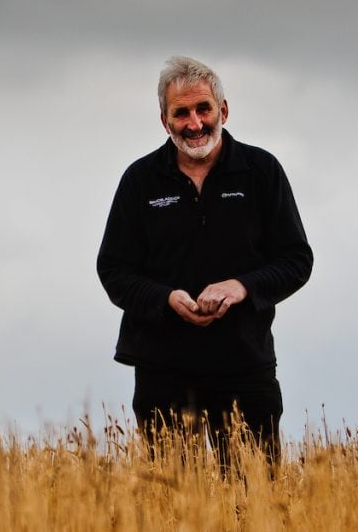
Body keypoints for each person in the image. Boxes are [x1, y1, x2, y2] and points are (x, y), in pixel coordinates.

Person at [96, 56, 313, 468]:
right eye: (181, 113)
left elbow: (296, 259)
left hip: (245, 367)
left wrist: (240, 287)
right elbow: (113, 270)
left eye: (203, 109)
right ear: (164, 120)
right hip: (163, 371)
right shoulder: (139, 181)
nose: (194, 123)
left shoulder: (261, 172)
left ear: (223, 111)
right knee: (175, 507)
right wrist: (165, 299)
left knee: (255, 503)